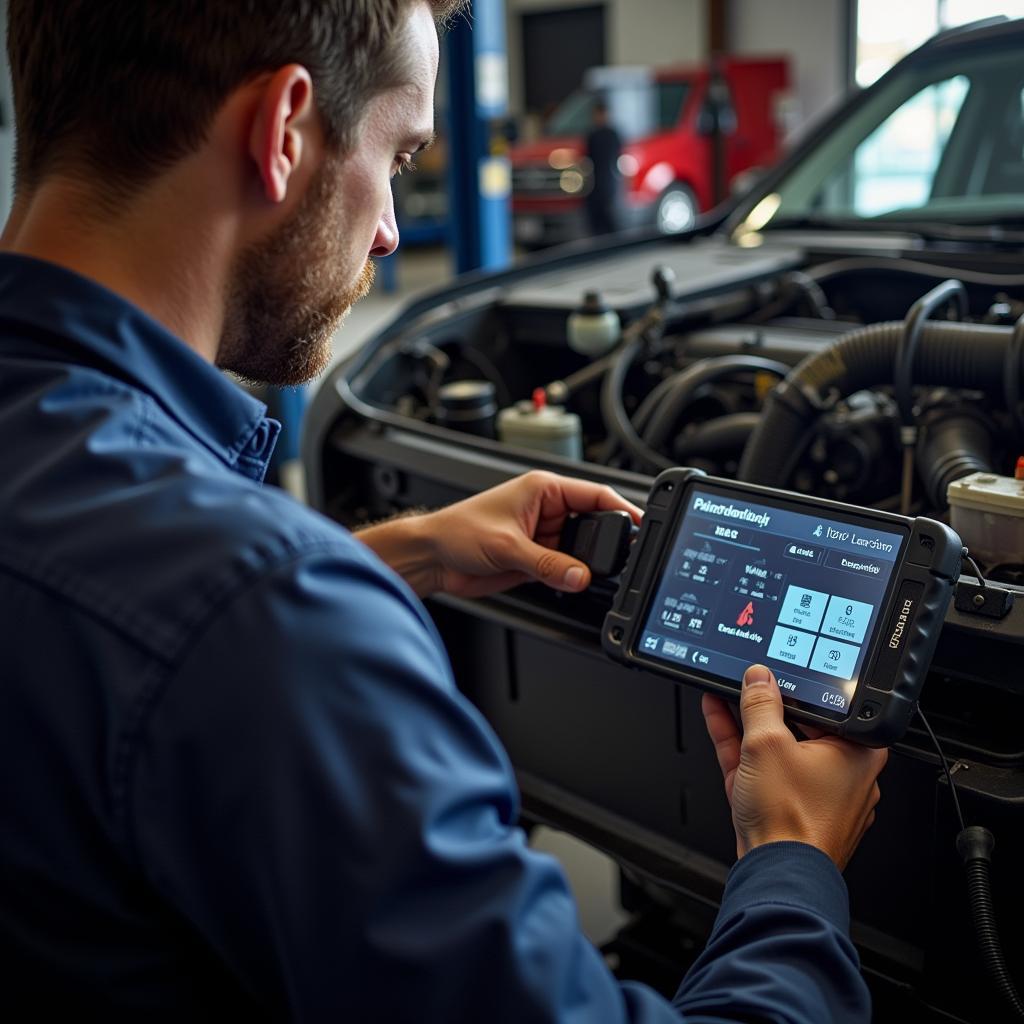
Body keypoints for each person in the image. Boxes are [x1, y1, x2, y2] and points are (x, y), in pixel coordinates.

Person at [0, 1, 888, 1020]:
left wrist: (388, 554)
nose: (386, 231)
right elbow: (207, 627)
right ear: (282, 129)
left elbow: (113, 617)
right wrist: (791, 865)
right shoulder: (266, 621)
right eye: (400, 156)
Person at [584, 99, 624, 236]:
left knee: (610, 217)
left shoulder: (613, 134)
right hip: (595, 183)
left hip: (609, 182)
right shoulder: (592, 135)